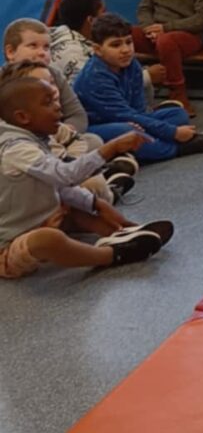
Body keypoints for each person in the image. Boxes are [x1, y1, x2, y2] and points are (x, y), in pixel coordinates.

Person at [0, 69, 173, 280]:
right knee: (48, 240)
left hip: (40, 219)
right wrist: (110, 148)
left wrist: (95, 204)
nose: (58, 106)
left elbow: (57, 185)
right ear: (23, 117)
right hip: (8, 245)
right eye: (47, 103)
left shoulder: (34, 138)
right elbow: (65, 176)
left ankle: (122, 233)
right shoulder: (15, 148)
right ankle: (113, 254)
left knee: (77, 208)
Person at [75, 15, 203, 163]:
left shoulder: (131, 64)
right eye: (116, 45)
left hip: (129, 118)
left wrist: (144, 124)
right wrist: (173, 133)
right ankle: (175, 149)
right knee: (127, 131)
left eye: (129, 42)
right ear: (97, 49)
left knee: (178, 114)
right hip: (95, 127)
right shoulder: (95, 76)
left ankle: (132, 151)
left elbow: (138, 110)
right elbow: (124, 115)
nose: (125, 50)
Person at [0, 60, 136, 205]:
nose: (53, 90)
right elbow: (63, 176)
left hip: (63, 168)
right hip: (45, 186)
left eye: (52, 82)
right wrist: (111, 148)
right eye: (41, 85)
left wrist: (73, 158)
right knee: (90, 186)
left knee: (93, 140)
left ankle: (102, 173)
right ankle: (109, 191)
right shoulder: (16, 145)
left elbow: (75, 132)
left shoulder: (46, 123)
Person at [51, 0, 163, 109]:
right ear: (91, 20)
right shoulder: (72, 52)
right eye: (103, 12)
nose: (125, 49)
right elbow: (96, 92)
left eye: (128, 42)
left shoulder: (77, 37)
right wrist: (146, 77)